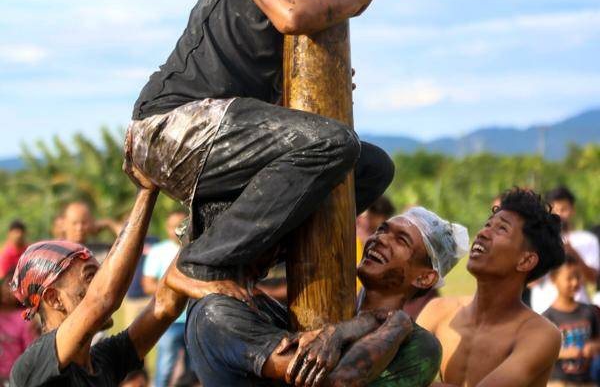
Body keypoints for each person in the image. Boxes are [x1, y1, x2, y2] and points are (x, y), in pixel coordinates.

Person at [127, 0, 397, 298]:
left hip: (226, 134)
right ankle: (200, 263)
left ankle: (241, 258)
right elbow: (292, 12)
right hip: (171, 126)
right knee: (334, 142)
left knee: (370, 168)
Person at [169, 202, 467, 386]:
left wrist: (397, 323)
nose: (379, 240)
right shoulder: (302, 311)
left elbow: (340, 382)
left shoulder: (418, 345)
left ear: (425, 277)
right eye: (382, 230)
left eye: (400, 240)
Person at [8, 165, 185, 387]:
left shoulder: (101, 361)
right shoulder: (32, 364)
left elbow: (165, 306)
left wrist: (195, 231)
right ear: (54, 299)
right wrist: (148, 190)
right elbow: (102, 299)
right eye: (91, 276)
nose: (102, 280)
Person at [418, 188, 566, 387]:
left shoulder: (540, 334)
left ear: (526, 260)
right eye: (488, 224)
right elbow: (396, 368)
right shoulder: (438, 310)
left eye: (501, 229)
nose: (483, 233)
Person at [531, 188, 600, 315]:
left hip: (578, 313)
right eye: (554, 209)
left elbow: (593, 279)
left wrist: (573, 253)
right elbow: (530, 282)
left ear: (572, 210)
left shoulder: (587, 240)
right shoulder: (537, 240)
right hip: (543, 310)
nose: (558, 214)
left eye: (563, 209)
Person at [142, 213, 189, 387]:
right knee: (165, 370)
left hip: (195, 319)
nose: (179, 230)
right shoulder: (158, 251)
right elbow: (147, 285)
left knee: (196, 372)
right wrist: (179, 289)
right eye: (173, 226)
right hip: (168, 322)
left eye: (183, 224)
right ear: (167, 228)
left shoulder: (199, 249)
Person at [543, 256, 600, 387]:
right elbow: (540, 352)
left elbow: (598, 339)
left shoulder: (589, 311)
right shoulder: (547, 317)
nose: (575, 282)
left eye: (578, 277)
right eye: (569, 278)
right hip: (558, 382)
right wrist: (563, 353)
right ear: (553, 280)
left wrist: (594, 347)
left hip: (587, 381)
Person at [0, 273, 37, 385]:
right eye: (7, 284)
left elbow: (29, 352)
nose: (9, 291)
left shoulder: (24, 319)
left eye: (14, 287)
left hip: (11, 378)